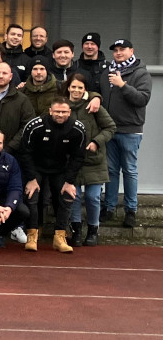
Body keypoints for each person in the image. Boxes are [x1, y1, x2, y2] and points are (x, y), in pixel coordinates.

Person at [15, 97, 85, 253]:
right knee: (32, 195)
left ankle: (60, 237)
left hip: (60, 169)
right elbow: (24, 153)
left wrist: (69, 181)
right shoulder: (35, 126)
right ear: (50, 111)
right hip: (36, 167)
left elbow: (78, 157)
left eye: (64, 112)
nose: (60, 115)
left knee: (68, 195)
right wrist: (32, 178)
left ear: (69, 112)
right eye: (57, 111)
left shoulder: (77, 128)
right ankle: (32, 234)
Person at [101, 38, 152, 228]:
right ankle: (109, 207)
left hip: (130, 130)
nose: (118, 53)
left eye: (122, 49)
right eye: (115, 50)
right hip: (109, 130)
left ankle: (131, 210)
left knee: (129, 170)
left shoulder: (140, 73)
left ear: (132, 50)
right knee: (111, 171)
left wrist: (122, 85)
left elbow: (142, 99)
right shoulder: (107, 71)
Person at [65, 73, 116, 247]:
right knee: (74, 196)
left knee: (93, 197)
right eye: (73, 87)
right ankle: (76, 230)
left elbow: (110, 127)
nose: (76, 90)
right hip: (71, 161)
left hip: (93, 159)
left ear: (85, 89)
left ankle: (93, 230)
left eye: (80, 87)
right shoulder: (63, 106)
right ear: (68, 87)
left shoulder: (93, 106)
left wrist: (96, 141)